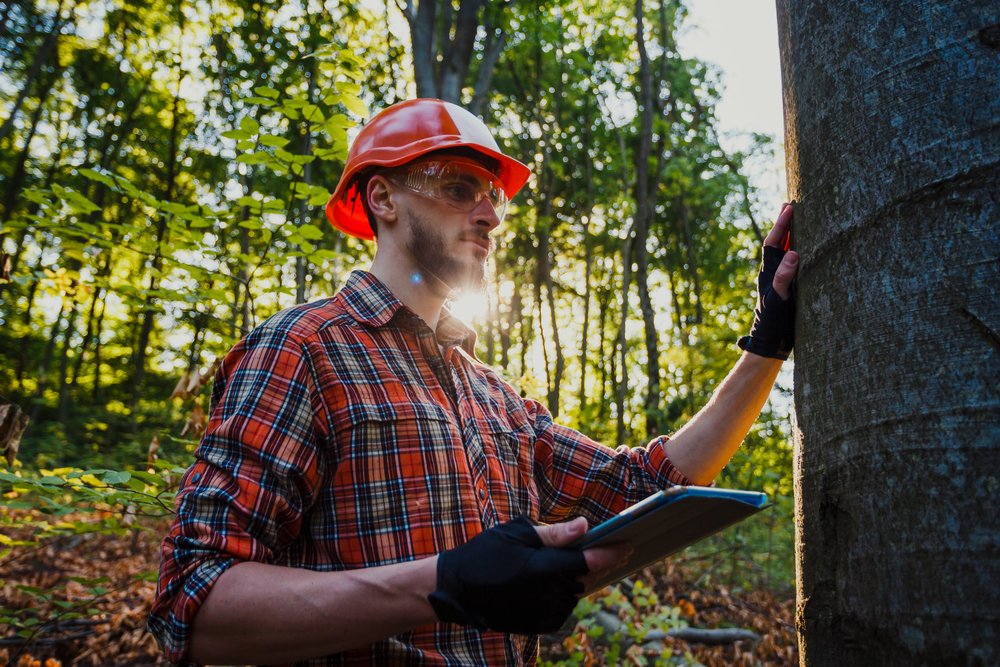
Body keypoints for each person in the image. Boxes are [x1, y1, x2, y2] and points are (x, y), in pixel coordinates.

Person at [147, 98, 798, 667]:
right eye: (459, 187)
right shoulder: (302, 349)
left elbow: (648, 484)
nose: (489, 213)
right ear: (382, 198)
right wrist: (446, 581)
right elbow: (193, 599)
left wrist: (767, 339)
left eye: (494, 195)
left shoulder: (498, 397)